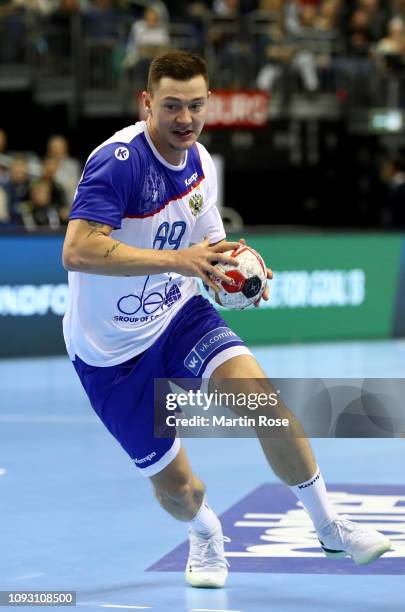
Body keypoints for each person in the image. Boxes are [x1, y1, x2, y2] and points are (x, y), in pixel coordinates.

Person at [62, 50, 391, 589]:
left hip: (179, 315)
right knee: (178, 490)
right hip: (111, 354)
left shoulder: (200, 162)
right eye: (171, 106)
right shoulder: (118, 163)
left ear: (208, 103)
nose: (185, 119)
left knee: (261, 399)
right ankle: (206, 530)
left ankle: (329, 525)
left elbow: (210, 247)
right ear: (147, 103)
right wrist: (180, 261)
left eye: (195, 105)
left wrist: (238, 275)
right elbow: (77, 250)